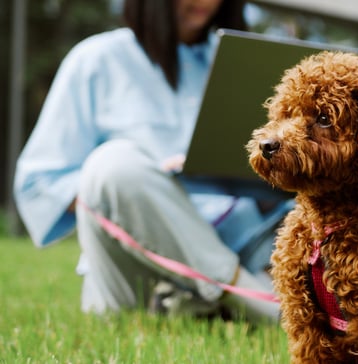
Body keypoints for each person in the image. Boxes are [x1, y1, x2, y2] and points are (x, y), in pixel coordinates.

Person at [13, 0, 281, 323]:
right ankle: (261, 305)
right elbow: (38, 184)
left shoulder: (244, 65)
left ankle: (208, 305)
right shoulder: (95, 61)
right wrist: (155, 187)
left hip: (246, 246)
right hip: (137, 272)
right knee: (112, 165)